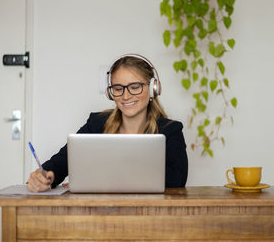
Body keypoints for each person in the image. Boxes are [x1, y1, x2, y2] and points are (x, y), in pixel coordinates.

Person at [27, 54, 188, 192]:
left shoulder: (170, 131)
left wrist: (100, 180)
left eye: (135, 86)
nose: (126, 96)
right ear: (111, 92)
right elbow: (63, 160)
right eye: (118, 88)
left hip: (150, 215)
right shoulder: (97, 123)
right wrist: (45, 175)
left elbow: (176, 182)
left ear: (153, 88)